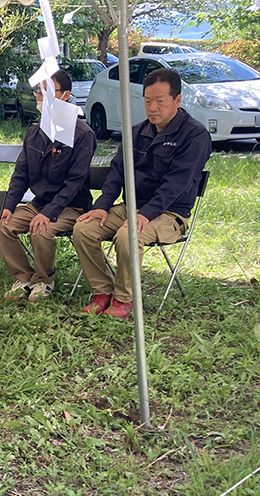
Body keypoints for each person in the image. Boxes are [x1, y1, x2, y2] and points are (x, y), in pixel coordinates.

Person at [72, 67, 210, 319]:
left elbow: (177, 183)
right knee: (84, 229)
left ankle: (125, 298)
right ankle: (102, 291)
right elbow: (116, 174)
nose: (153, 108)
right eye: (148, 101)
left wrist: (146, 213)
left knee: (128, 235)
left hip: (170, 214)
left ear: (177, 100)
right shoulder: (135, 133)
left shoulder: (195, 135)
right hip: (131, 207)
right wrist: (101, 205)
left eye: (160, 101)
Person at [0, 70, 96, 302]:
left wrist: (49, 214)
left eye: (47, 92)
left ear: (66, 95)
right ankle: (23, 277)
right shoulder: (35, 132)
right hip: (38, 203)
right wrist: (8, 206)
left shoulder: (82, 134)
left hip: (70, 207)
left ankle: (44, 280)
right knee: (3, 225)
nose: (41, 98)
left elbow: (75, 182)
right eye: (39, 92)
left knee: (41, 228)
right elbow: (20, 174)